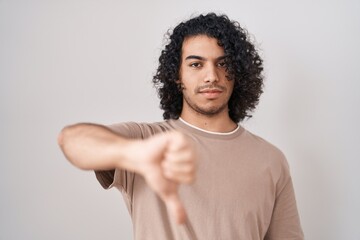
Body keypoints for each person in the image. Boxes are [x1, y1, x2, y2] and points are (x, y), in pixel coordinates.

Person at [58, 13, 304, 240]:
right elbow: (73, 141)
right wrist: (131, 153)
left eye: (223, 64)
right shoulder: (146, 139)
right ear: (177, 76)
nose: (211, 76)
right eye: (196, 64)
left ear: (238, 71)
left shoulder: (271, 160)